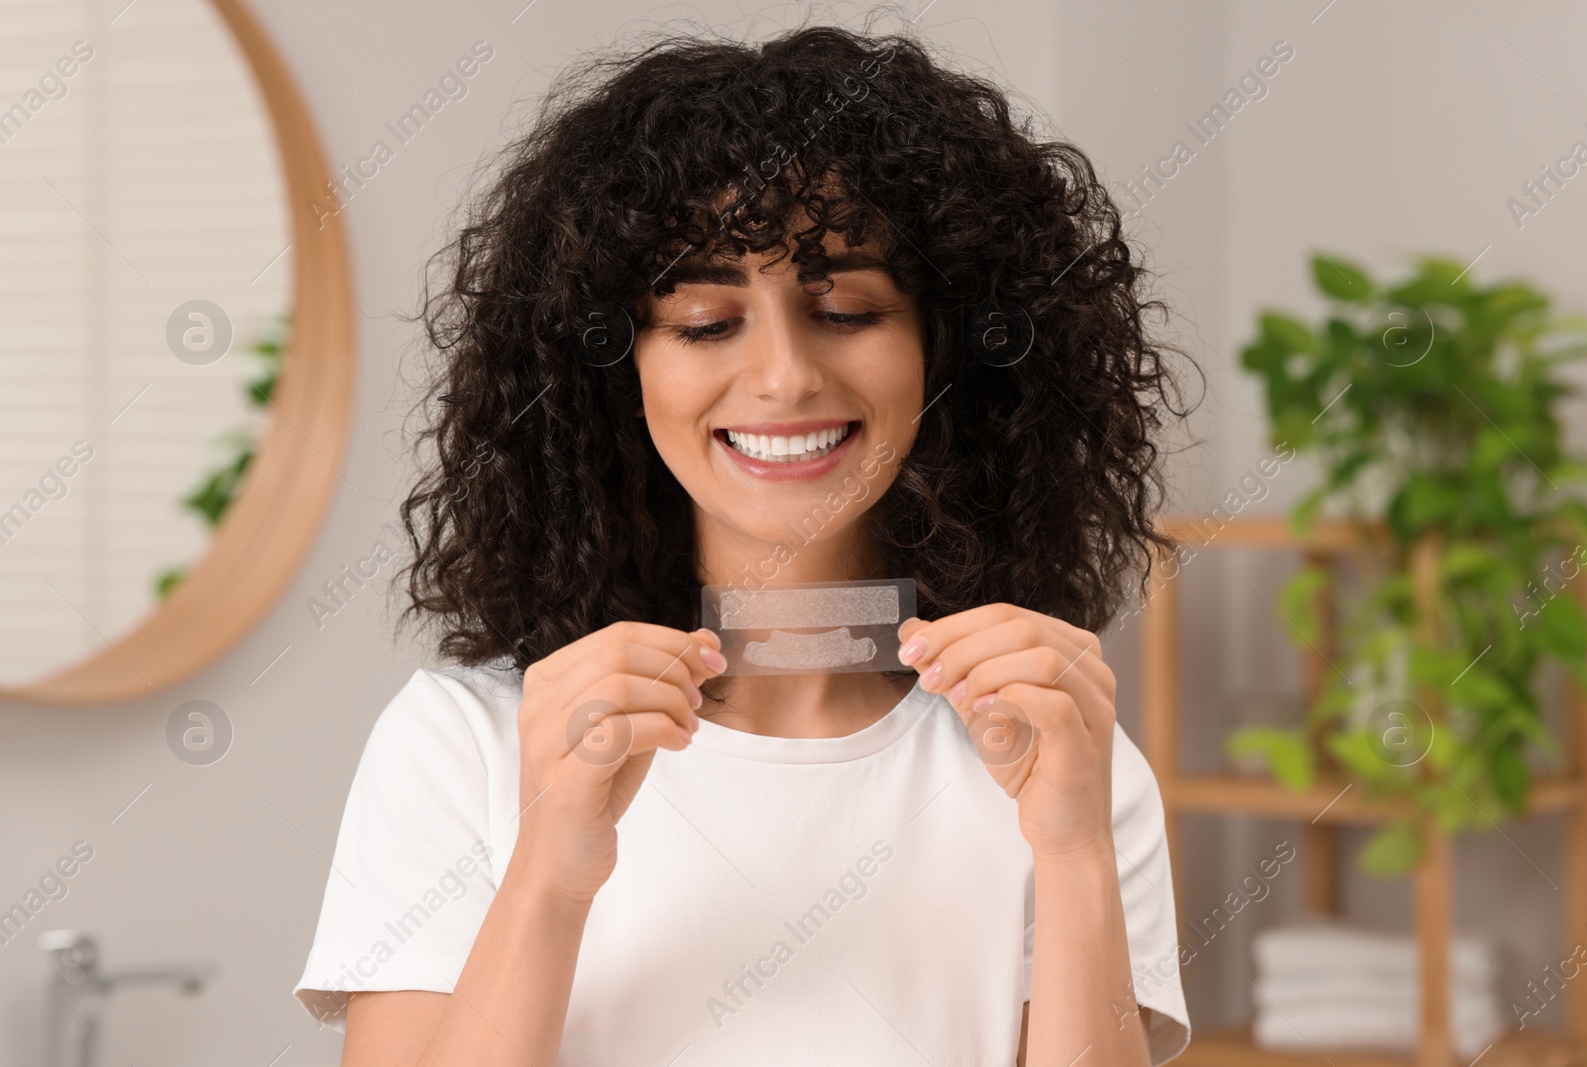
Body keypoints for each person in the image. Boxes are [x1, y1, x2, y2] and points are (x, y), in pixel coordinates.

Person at [293, 19, 1196, 1067]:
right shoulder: (467, 744)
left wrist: (1074, 847)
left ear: (943, 345)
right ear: (615, 372)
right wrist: (553, 862)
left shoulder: (1061, 757)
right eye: (706, 322)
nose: (782, 377)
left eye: (847, 309)